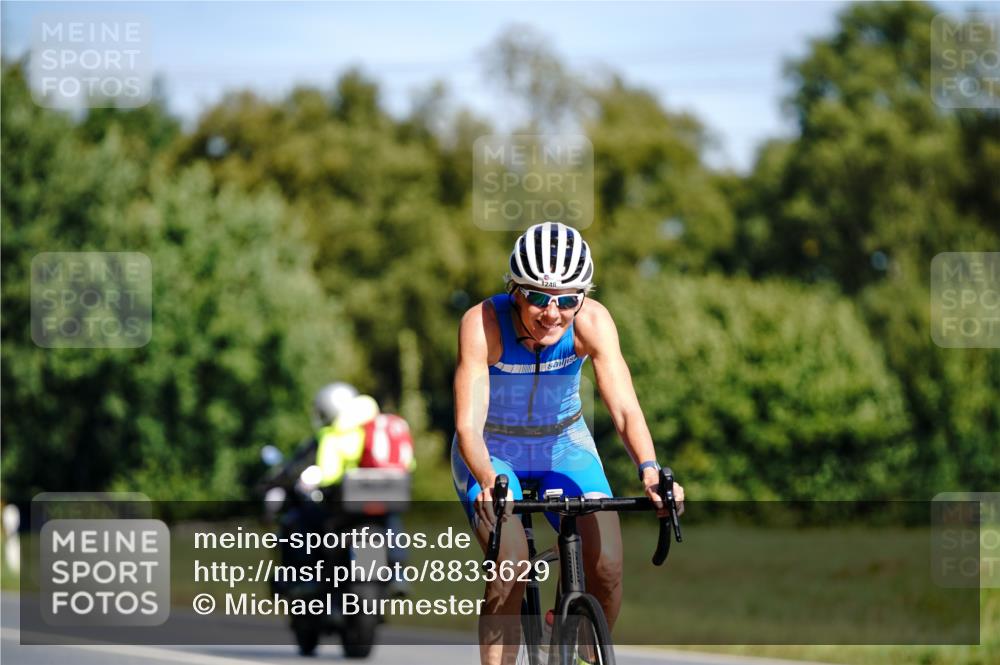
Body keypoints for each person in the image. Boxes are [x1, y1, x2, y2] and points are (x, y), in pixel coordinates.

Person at [451, 221, 685, 665]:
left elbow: (624, 409)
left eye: (568, 299)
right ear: (515, 291)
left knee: (608, 568)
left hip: (565, 446)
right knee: (512, 563)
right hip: (494, 450)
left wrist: (650, 471)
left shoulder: (593, 322)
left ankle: (577, 650)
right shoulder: (482, 324)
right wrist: (488, 481)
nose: (552, 313)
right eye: (538, 296)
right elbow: (467, 426)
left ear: (583, 298)